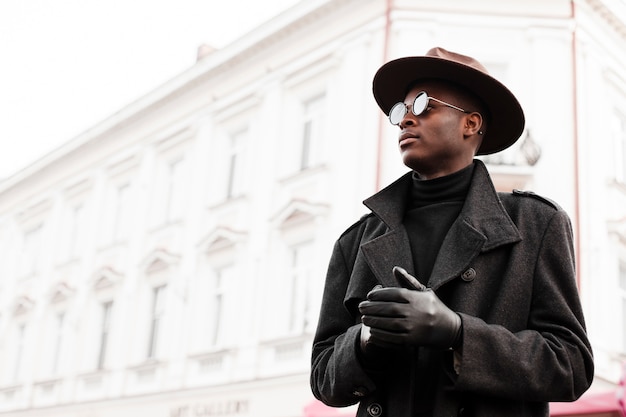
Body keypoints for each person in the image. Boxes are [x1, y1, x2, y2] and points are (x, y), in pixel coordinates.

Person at [310, 47, 594, 417]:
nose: (405, 120)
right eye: (401, 110)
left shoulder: (536, 224)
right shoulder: (356, 242)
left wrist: (458, 333)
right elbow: (322, 378)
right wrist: (364, 341)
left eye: (424, 105)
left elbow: (571, 364)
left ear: (471, 124)